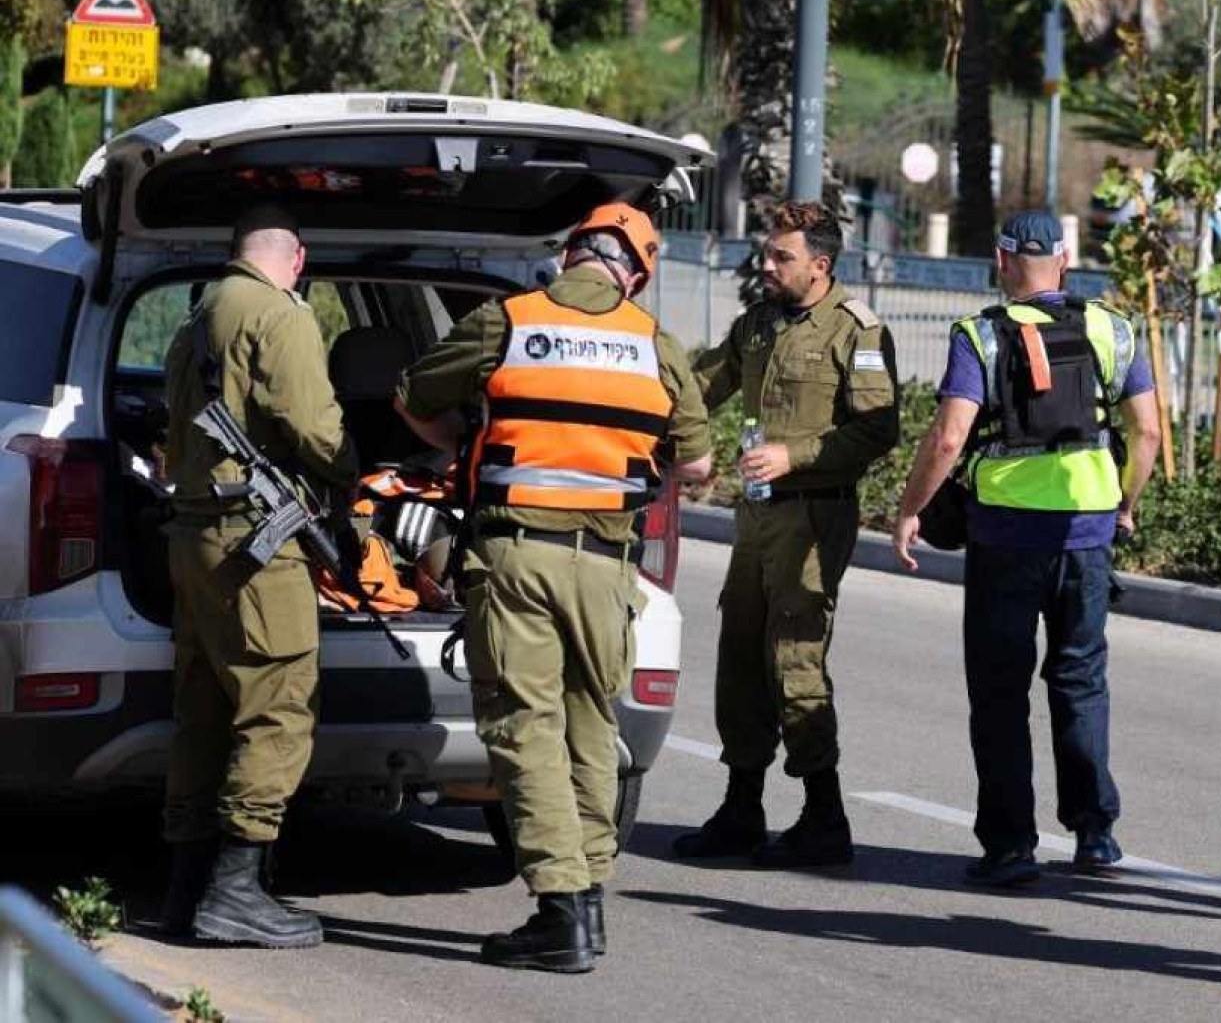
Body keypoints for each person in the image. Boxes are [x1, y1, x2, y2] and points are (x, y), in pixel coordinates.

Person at [395, 202, 712, 973]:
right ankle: (589, 897)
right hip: (606, 569)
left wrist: (466, 445)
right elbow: (697, 465)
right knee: (590, 726)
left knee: (524, 727)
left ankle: (561, 909)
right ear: (636, 270)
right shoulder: (655, 345)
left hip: (518, 559)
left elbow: (412, 396)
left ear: (571, 253)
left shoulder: (508, 320)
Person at [891, 210, 1159, 888]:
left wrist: (909, 509)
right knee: (1080, 680)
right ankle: (1095, 834)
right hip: (1088, 534)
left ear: (1003, 262)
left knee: (1001, 691)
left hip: (1005, 535)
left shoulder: (981, 335)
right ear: (1064, 261)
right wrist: (1124, 502)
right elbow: (1149, 432)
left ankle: (1011, 846)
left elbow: (949, 437)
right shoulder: (1113, 328)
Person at [676, 200, 900, 868]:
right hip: (757, 515)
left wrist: (792, 454)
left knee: (794, 658)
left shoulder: (855, 333)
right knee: (741, 653)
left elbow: (877, 430)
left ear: (821, 265)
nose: (766, 265)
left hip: (813, 513)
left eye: (782, 257)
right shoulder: (759, 323)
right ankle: (741, 805)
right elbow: (698, 388)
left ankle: (824, 816)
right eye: (767, 254)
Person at [159, 208, 359, 949]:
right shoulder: (281, 316)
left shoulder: (197, 316)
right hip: (255, 544)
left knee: (204, 707)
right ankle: (238, 891)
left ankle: (185, 890)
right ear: (296, 256)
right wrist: (354, 470)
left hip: (195, 536)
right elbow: (312, 425)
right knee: (276, 707)